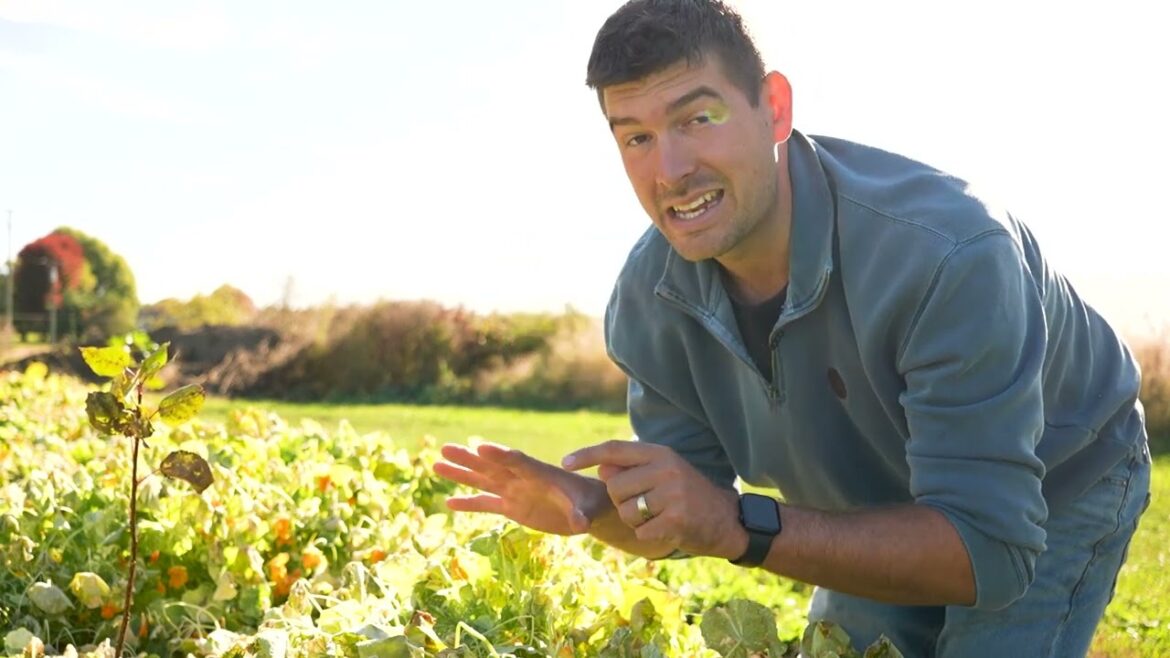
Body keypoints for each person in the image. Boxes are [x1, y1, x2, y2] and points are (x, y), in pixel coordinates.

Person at [433, 1, 1152, 655]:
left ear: (774, 108)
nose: (671, 170)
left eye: (698, 119)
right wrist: (595, 506)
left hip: (1057, 478)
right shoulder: (649, 300)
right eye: (637, 137)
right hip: (872, 497)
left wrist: (738, 524)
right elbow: (688, 512)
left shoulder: (947, 255)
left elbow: (989, 549)